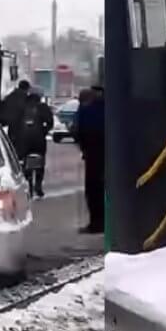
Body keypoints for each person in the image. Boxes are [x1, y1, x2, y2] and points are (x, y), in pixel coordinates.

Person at [76, 86, 105, 234]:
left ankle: (96, 223)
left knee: (93, 190)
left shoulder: (87, 110)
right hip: (109, 154)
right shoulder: (110, 107)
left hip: (93, 154)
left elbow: (79, 130)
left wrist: (84, 149)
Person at [18, 90, 54, 197]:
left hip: (24, 141)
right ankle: (38, 185)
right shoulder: (43, 108)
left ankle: (28, 184)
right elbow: (50, 122)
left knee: (25, 162)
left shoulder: (22, 108)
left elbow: (15, 123)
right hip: (39, 140)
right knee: (40, 162)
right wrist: (44, 130)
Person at [0, 80, 31, 153]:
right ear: (27, 88)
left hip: (10, 123)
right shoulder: (25, 98)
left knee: (11, 143)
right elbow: (24, 110)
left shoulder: (11, 96)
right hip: (20, 125)